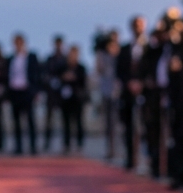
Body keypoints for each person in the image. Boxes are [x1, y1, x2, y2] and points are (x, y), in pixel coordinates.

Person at [115, 15, 150, 169]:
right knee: (128, 127)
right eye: (136, 25)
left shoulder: (150, 47)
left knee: (147, 127)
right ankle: (131, 159)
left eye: (141, 25)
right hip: (127, 93)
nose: (138, 28)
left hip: (147, 93)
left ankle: (149, 160)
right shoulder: (124, 49)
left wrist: (142, 83)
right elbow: (119, 71)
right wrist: (129, 83)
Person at [6, 34, 42, 155]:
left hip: (27, 91)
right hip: (15, 91)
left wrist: (36, 91)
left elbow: (37, 75)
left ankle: (33, 147)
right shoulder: (11, 58)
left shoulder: (31, 57)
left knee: (30, 120)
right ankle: (18, 147)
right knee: (16, 121)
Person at [92, 29, 119, 158]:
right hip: (106, 92)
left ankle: (119, 149)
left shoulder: (120, 55)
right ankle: (111, 149)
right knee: (108, 122)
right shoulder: (102, 55)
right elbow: (99, 69)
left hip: (118, 92)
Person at [58, 45, 88, 153]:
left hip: (77, 98)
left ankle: (79, 144)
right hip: (65, 99)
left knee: (79, 121)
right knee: (66, 122)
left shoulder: (81, 68)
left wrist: (74, 78)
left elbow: (83, 82)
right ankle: (66, 144)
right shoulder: (63, 67)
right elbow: (58, 79)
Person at [43, 35, 67, 150]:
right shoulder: (49, 59)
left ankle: (65, 143)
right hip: (51, 93)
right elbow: (44, 73)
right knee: (49, 119)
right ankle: (47, 142)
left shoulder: (65, 59)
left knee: (65, 119)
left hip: (63, 94)